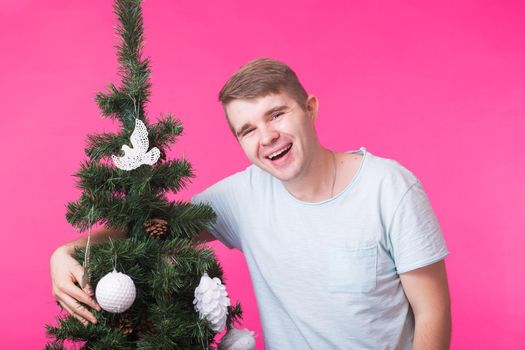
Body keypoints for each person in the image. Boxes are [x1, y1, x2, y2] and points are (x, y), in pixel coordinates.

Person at [50, 58, 451, 349]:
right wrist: (65, 252)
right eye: (248, 130)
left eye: (276, 114)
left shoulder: (390, 188)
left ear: (309, 109)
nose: (267, 137)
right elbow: (151, 228)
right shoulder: (243, 196)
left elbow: (432, 313)